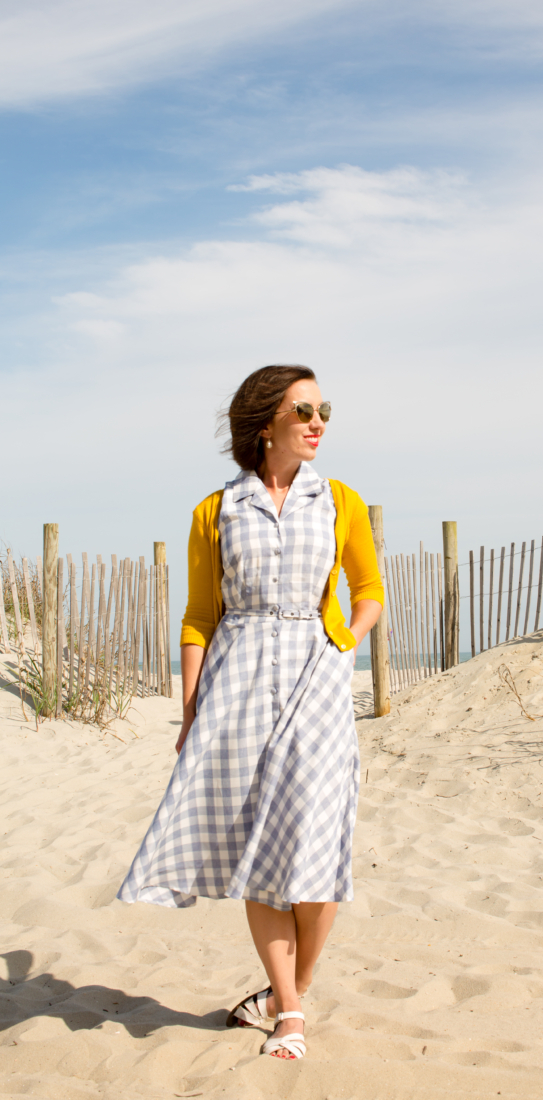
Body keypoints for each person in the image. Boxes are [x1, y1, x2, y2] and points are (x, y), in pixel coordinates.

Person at [117, 365, 383, 1061]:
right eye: (304, 410)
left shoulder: (342, 501)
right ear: (266, 424)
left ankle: (282, 990)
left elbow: (370, 588)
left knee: (316, 848)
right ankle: (290, 1011)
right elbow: (201, 616)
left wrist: (343, 644)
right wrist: (190, 707)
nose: (318, 421)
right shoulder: (215, 510)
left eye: (323, 408)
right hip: (235, 686)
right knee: (259, 852)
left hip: (317, 679)